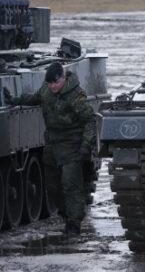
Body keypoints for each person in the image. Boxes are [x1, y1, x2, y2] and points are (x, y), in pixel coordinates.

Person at [3, 62, 95, 236]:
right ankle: (66, 215)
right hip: (52, 145)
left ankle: (74, 225)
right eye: (50, 83)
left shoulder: (75, 95)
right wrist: (14, 100)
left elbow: (90, 120)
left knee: (71, 185)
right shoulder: (47, 90)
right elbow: (35, 98)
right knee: (52, 187)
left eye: (55, 83)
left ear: (62, 78)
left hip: (71, 144)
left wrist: (86, 145)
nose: (53, 86)